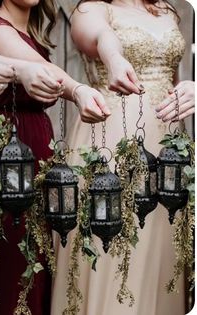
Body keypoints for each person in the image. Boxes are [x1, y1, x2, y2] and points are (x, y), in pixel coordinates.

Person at [0, 1, 111, 315]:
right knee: (7, 259)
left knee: (37, 260)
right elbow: (43, 70)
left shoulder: (27, 31)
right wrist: (80, 89)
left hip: (35, 150)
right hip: (4, 154)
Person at [51, 1, 191, 315]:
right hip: (114, 138)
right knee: (116, 247)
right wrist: (115, 58)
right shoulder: (92, 10)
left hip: (169, 143)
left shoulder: (167, 11)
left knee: (163, 244)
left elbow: (175, 74)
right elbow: (101, 37)